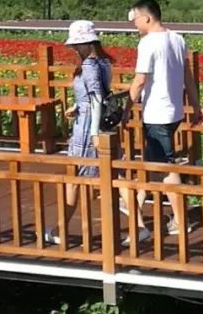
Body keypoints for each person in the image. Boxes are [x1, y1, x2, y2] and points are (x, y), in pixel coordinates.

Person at [43, 21, 150, 244]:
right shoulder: (104, 62)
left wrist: (92, 130)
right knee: (116, 175)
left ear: (84, 43)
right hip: (101, 123)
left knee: (74, 177)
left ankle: (60, 230)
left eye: (76, 45)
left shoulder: (90, 65)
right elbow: (97, 96)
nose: (74, 49)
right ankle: (139, 226)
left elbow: (96, 98)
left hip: (88, 128)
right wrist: (77, 106)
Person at [127, 0, 203, 236]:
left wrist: (125, 107)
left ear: (147, 17)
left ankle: (181, 222)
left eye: (136, 19)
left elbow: (140, 80)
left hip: (156, 114)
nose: (135, 25)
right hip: (173, 112)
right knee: (153, 164)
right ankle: (135, 207)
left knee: (166, 168)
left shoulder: (148, 43)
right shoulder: (177, 38)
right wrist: (195, 104)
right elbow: (187, 76)